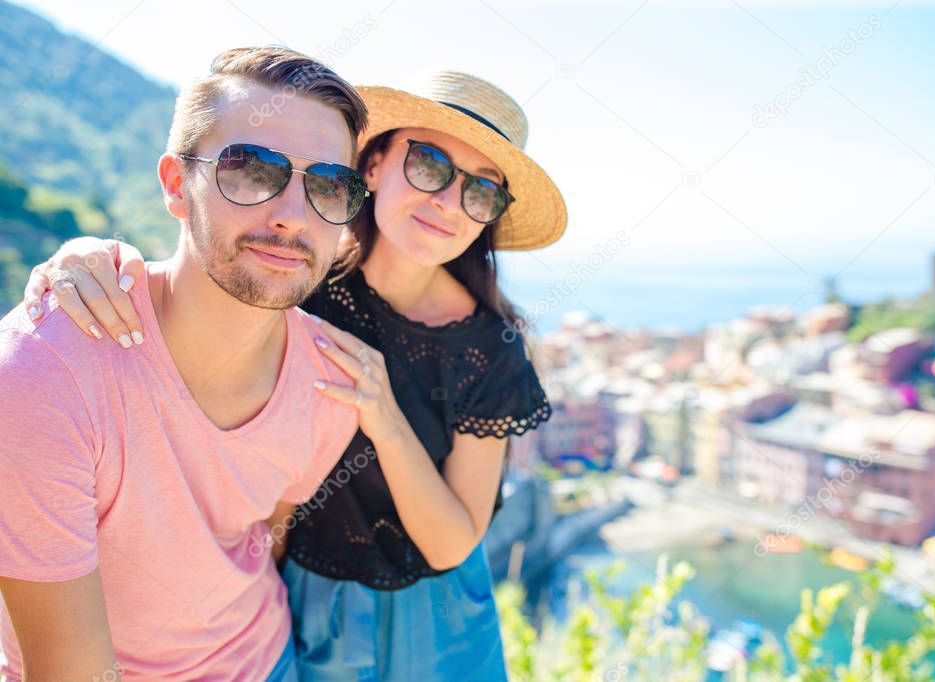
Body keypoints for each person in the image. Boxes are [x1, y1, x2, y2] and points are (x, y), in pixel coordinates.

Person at [22, 70, 567, 681]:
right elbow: (196, 274)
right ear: (375, 166)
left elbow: (451, 544)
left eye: (481, 191)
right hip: (300, 597)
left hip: (430, 616)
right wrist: (83, 256)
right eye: (431, 164)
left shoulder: (488, 349)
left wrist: (384, 418)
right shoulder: (296, 279)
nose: (448, 201)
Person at [0, 46, 368, 681]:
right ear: (175, 184)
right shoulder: (46, 370)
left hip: (271, 661)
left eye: (330, 186)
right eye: (253, 169)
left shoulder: (331, 381)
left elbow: (263, 538)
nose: (291, 214)